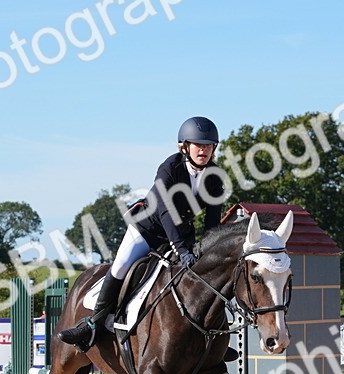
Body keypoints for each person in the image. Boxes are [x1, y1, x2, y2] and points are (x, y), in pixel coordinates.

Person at [59, 116, 226, 351]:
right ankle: (93, 324)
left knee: (204, 274)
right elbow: (166, 211)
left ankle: (212, 335)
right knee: (120, 267)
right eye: (199, 145)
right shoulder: (169, 168)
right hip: (148, 230)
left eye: (209, 145)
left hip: (182, 233)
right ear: (185, 147)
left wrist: (208, 250)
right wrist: (181, 249)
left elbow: (212, 220)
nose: (204, 150)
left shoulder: (215, 176)